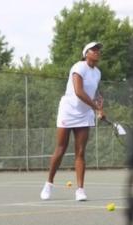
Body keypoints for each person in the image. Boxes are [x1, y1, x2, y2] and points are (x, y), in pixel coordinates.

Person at [40, 41, 105, 201]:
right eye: (93, 50)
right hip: (68, 111)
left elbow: (93, 92)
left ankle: (80, 190)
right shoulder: (78, 67)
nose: (97, 52)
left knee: (81, 152)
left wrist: (98, 102)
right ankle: (49, 184)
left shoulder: (97, 72)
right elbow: (79, 91)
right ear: (86, 53)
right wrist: (96, 108)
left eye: (98, 50)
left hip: (84, 114)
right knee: (60, 149)